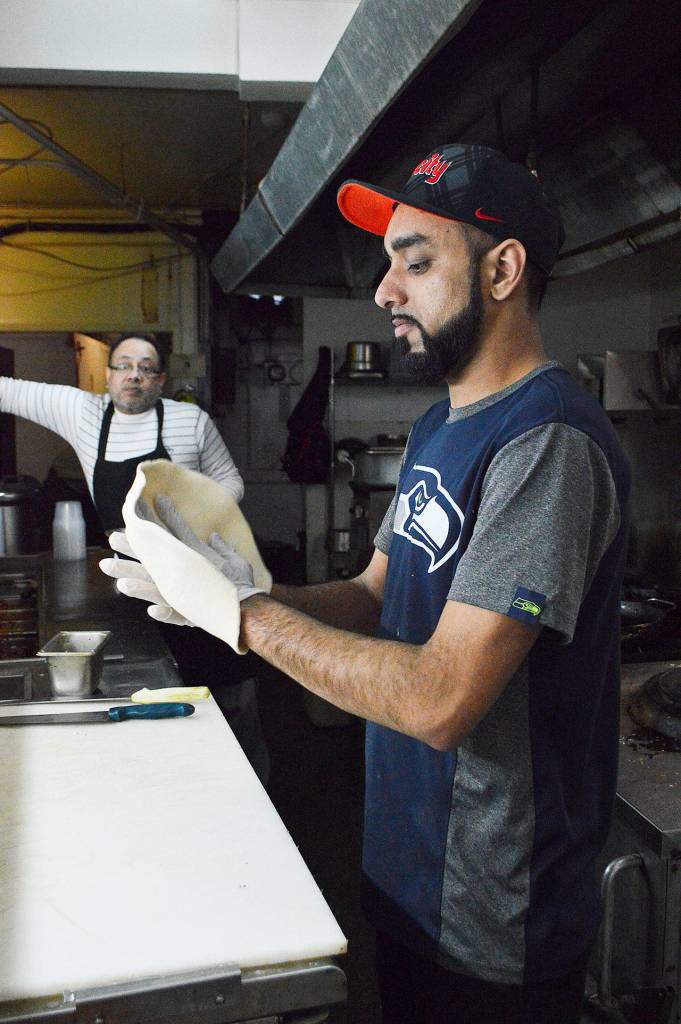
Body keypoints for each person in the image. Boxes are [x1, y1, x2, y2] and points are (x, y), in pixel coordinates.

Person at [102, 147, 630, 1024]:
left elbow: (438, 701)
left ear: (501, 270)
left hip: (495, 914)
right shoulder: (440, 425)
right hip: (406, 871)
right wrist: (226, 588)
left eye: (416, 262)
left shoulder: (545, 443)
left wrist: (242, 620)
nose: (384, 291)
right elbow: (374, 595)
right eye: (388, 263)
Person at [0, 333, 269, 783]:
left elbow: (230, 478)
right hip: (129, 578)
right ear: (107, 376)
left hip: (199, 571)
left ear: (160, 380)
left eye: (146, 368)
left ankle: (252, 789)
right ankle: (177, 787)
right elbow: (8, 390)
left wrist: (197, 512)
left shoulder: (190, 421)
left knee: (230, 693)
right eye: (124, 366)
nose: (134, 376)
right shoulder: (82, 413)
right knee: (159, 693)